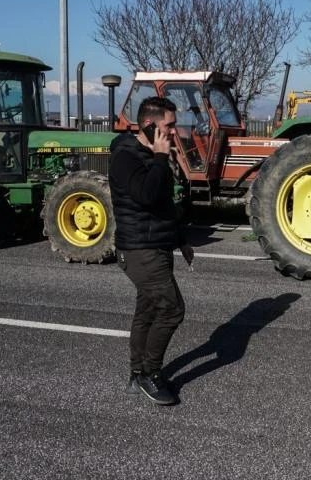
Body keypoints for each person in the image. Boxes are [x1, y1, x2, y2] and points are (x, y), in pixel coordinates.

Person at [108, 96, 193, 406]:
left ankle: (137, 374)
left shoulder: (152, 154)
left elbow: (163, 202)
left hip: (156, 245)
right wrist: (160, 157)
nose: (174, 131)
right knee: (172, 310)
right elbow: (145, 195)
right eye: (169, 126)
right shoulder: (126, 157)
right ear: (148, 125)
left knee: (147, 310)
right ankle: (151, 375)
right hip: (138, 250)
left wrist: (181, 239)